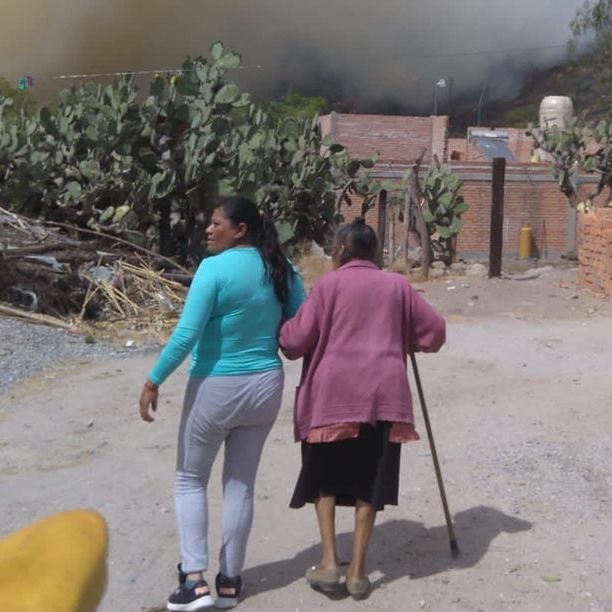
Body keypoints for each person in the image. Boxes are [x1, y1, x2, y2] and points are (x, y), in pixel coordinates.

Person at [139, 197, 305, 612]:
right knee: (240, 485)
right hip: (265, 385)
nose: (208, 230)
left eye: (217, 224)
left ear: (240, 230)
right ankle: (229, 582)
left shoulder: (213, 269)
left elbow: (186, 335)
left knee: (190, 480)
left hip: (216, 385)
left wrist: (154, 379)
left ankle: (194, 581)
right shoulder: (283, 268)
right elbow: (302, 324)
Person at [278, 218, 446, 600]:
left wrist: (281, 329)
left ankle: (328, 562)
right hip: (382, 397)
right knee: (372, 479)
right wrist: (410, 339)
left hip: (331, 397)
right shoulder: (397, 286)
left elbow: (295, 342)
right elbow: (435, 332)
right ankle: (357, 572)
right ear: (374, 252)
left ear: (340, 250)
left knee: (324, 477)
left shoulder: (327, 286)